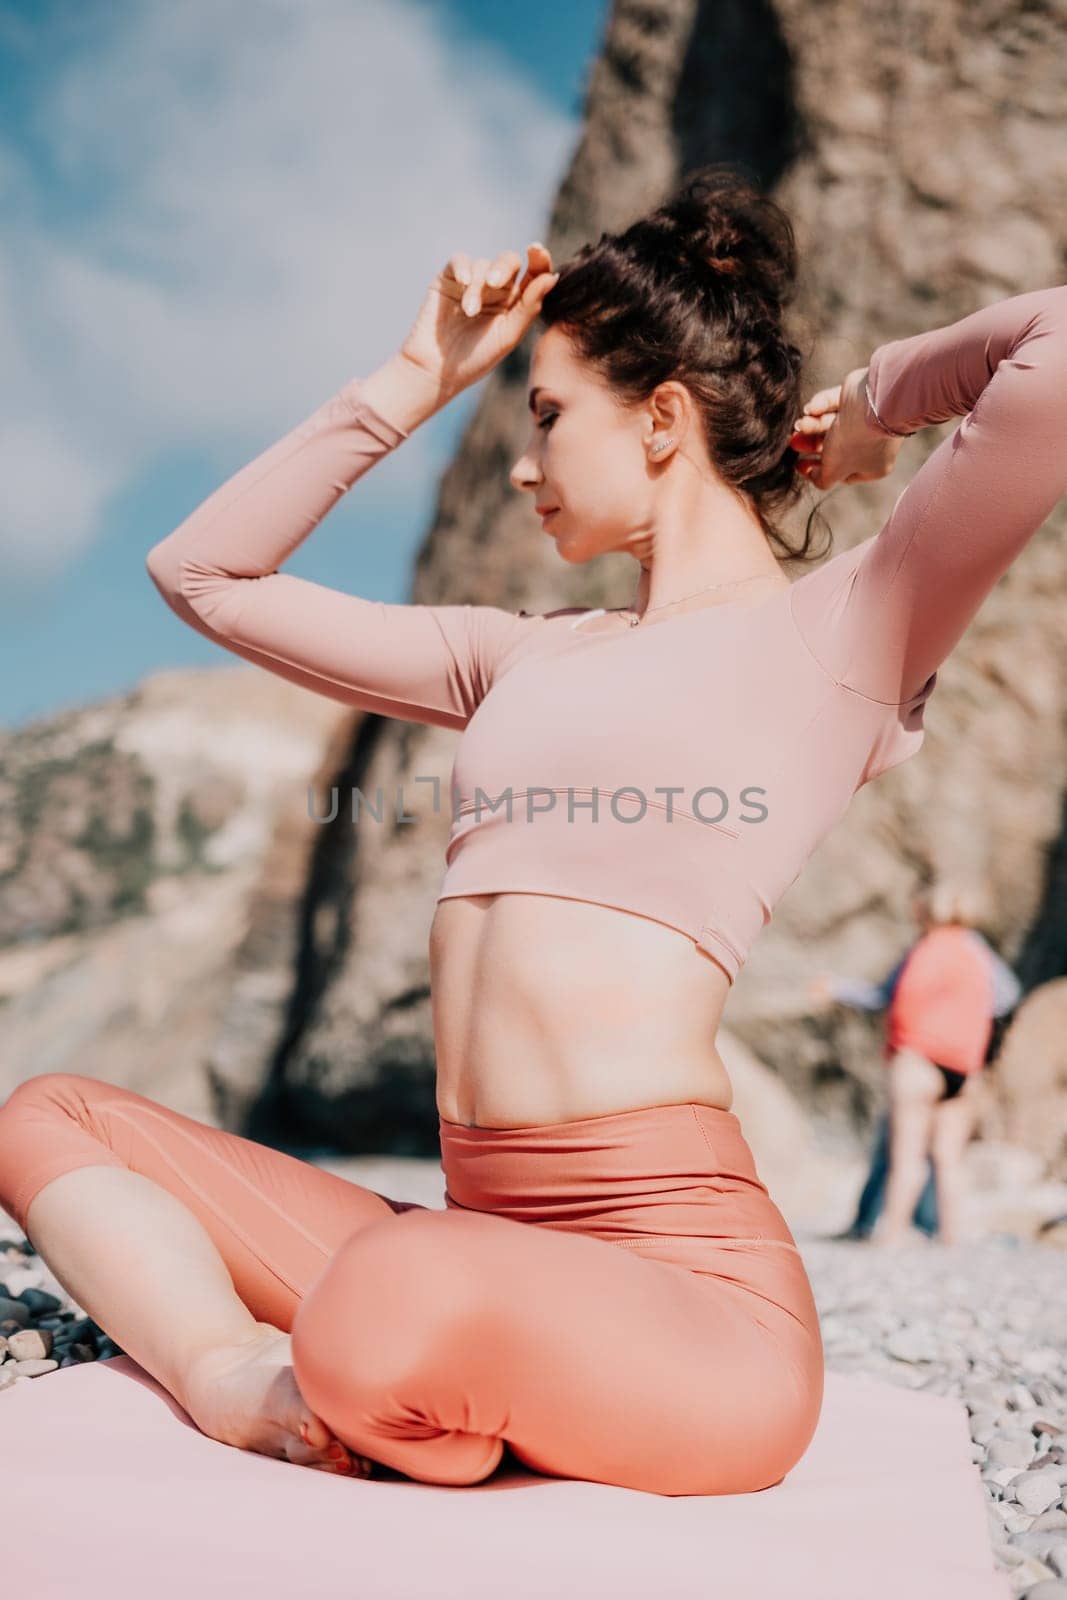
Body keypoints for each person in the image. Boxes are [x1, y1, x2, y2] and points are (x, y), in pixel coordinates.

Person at [0, 162, 1064, 1495]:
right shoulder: (519, 655)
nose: (519, 462)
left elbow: (1054, 348)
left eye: (546, 415)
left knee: (392, 1300)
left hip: (688, 1305)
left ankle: (381, 1353)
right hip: (474, 1240)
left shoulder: (849, 628)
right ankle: (240, 1384)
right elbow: (202, 576)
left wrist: (878, 400)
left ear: (661, 420)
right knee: (51, 1117)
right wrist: (415, 375)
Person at [811, 883, 1022, 1243]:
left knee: (906, 1155)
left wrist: (836, 988)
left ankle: (891, 1236)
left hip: (919, 1060)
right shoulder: (979, 952)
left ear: (924, 913)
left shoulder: (923, 951)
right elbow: (1006, 998)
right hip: (963, 1065)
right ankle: (952, 1241)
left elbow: (880, 995)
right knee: (948, 1159)